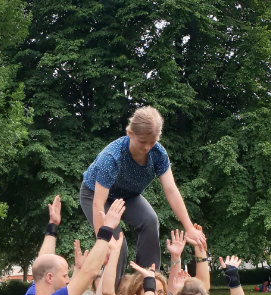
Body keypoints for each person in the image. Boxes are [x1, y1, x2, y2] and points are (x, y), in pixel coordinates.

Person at [80, 106, 202, 280]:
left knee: (150, 221)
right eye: (143, 141)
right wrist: (104, 242)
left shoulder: (158, 154)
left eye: (152, 142)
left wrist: (189, 227)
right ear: (130, 133)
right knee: (116, 246)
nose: (147, 147)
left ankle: (147, 284)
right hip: (95, 195)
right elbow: (98, 204)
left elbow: (171, 189)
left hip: (128, 196)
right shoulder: (111, 157)